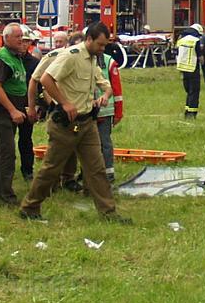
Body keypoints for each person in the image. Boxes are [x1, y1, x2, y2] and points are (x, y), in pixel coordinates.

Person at [20, 22, 131, 224]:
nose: (102, 49)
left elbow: (103, 83)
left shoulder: (92, 59)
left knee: (96, 169)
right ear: (89, 39)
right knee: (51, 169)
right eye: (100, 44)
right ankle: (30, 207)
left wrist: (104, 95)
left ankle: (108, 213)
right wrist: (64, 103)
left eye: (105, 45)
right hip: (66, 125)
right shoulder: (71, 56)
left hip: (87, 122)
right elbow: (45, 80)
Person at [26, 30, 82, 192]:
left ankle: (69, 178)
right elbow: (35, 81)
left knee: (73, 143)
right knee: (56, 147)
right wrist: (32, 107)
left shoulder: (85, 58)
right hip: (57, 106)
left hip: (76, 107)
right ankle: (51, 182)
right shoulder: (53, 57)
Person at [0, 23, 28, 206]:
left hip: (11, 111)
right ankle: (7, 196)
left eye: (22, 37)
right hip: (0, 112)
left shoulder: (16, 57)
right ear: (7, 38)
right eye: (17, 37)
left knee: (1, 150)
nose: (21, 40)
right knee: (8, 152)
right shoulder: (3, 58)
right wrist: (12, 110)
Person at [17, 26, 41, 182]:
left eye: (27, 42)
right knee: (4, 143)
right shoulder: (7, 59)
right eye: (21, 41)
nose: (23, 45)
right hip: (10, 105)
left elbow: (39, 86)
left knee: (26, 139)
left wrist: (37, 105)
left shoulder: (34, 62)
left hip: (27, 105)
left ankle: (28, 170)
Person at [96, 49, 123, 183]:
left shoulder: (109, 62)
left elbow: (116, 89)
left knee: (104, 142)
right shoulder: (81, 59)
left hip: (104, 111)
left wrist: (118, 112)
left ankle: (108, 172)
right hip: (86, 110)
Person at [176, 23, 205, 119]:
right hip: (193, 69)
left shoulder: (181, 40)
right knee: (195, 91)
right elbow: (200, 57)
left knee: (189, 92)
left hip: (183, 69)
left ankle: (187, 112)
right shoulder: (195, 40)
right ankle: (192, 114)